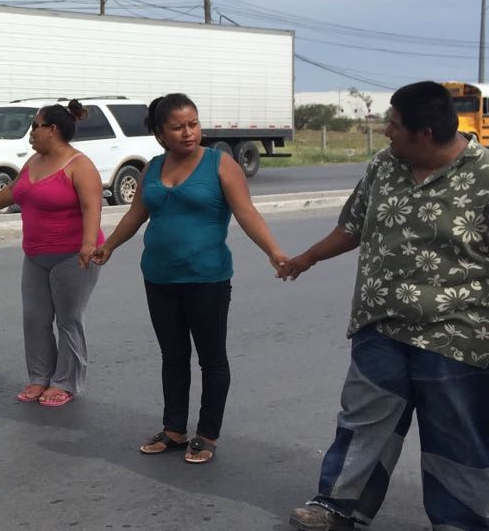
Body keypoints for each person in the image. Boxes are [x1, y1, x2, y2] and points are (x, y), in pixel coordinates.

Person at [279, 82, 489, 531]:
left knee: (455, 436)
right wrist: (307, 258)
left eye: (393, 126)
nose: (385, 132)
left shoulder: (485, 175)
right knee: (362, 421)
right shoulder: (384, 166)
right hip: (380, 324)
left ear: (425, 132)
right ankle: (337, 506)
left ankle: (462, 522)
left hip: (457, 334)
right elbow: (353, 226)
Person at [90, 93, 285, 463]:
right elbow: (135, 215)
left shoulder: (220, 164)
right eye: (178, 127)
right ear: (160, 133)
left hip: (207, 278)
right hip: (159, 278)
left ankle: (207, 434)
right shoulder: (153, 166)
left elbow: (247, 213)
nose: (188, 133)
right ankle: (175, 429)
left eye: (193, 124)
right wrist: (110, 245)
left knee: (211, 359)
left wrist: (273, 252)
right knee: (173, 356)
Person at [0, 101, 105, 401]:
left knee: (68, 319)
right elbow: (12, 190)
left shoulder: (80, 165)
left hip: (73, 255)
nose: (30, 134)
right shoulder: (34, 161)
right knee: (35, 317)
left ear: (52, 130)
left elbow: (91, 206)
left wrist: (88, 244)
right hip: (35, 255)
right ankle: (41, 376)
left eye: (34, 128)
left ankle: (65, 383)